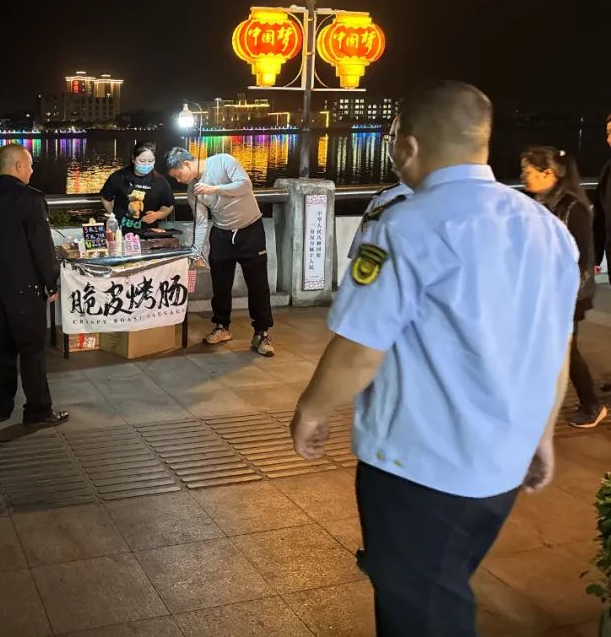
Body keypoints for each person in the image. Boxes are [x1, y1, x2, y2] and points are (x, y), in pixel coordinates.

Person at [289, 82, 579, 637]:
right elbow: (555, 346)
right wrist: (542, 434)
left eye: (393, 139)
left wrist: (312, 410)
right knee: (443, 582)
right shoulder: (547, 229)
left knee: (421, 612)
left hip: (420, 469)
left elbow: (360, 349)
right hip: (503, 468)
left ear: (408, 146)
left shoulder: (406, 226)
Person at [0, 143, 69, 427]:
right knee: (32, 349)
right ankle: (38, 410)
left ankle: (1, 404)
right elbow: (42, 247)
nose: (32, 170)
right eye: (30, 165)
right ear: (18, 166)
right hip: (27, 288)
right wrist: (51, 282)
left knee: (2, 345)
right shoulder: (32, 199)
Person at [521, 146, 606, 428]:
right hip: (547, 292)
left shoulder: (572, 207)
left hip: (569, 295)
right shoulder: (542, 204)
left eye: (528, 171)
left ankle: (592, 404)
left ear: (548, 174)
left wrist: (563, 296)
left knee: (565, 350)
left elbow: (581, 260)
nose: (524, 177)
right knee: (550, 349)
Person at [164, 146, 274, 357]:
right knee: (221, 284)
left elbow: (245, 185)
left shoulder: (223, 161)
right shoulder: (193, 191)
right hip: (221, 234)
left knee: (258, 284)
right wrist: (196, 251)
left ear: (186, 164)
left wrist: (213, 189)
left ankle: (262, 333)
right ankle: (222, 326)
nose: (178, 180)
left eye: (178, 175)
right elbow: (201, 222)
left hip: (250, 229)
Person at [347, 115, 413, 260]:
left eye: (393, 137)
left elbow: (362, 265)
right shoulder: (456, 197)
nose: (390, 144)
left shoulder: (386, 202)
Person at [100, 143, 175, 234]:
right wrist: (113, 214)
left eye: (150, 161)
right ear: (133, 159)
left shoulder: (160, 181)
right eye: (142, 161)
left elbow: (168, 206)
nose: (146, 164)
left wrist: (157, 215)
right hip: (121, 231)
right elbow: (106, 197)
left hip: (148, 233)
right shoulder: (119, 177)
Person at [594, 112, 611, 277]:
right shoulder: (607, 170)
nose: (609, 140)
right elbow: (600, 216)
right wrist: (596, 256)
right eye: (608, 133)